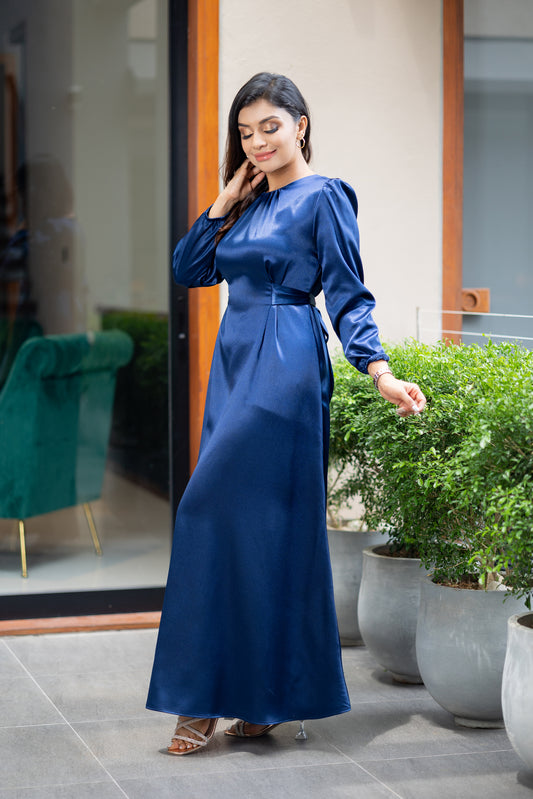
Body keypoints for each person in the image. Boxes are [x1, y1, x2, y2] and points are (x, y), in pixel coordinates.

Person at [146, 72, 426, 755]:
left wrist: (379, 371)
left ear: (300, 124)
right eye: (245, 132)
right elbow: (190, 269)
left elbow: (348, 294)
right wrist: (224, 200)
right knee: (254, 531)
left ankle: (203, 699)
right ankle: (257, 698)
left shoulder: (324, 196)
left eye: (269, 126)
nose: (257, 142)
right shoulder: (245, 204)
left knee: (208, 511)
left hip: (285, 365)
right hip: (234, 364)